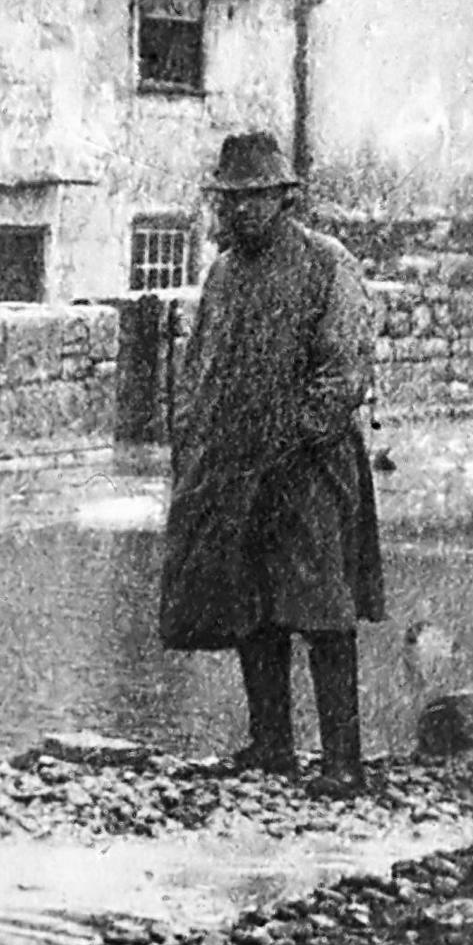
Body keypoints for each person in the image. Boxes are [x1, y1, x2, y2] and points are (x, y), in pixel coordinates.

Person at [159, 131, 385, 796]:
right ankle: (271, 746)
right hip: (237, 466)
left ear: (283, 198)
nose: (241, 212)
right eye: (230, 200)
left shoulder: (326, 263)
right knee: (252, 605)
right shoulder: (224, 273)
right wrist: (197, 443)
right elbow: (203, 364)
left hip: (310, 464)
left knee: (321, 608)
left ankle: (344, 761)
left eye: (255, 197)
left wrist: (299, 435)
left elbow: (344, 368)